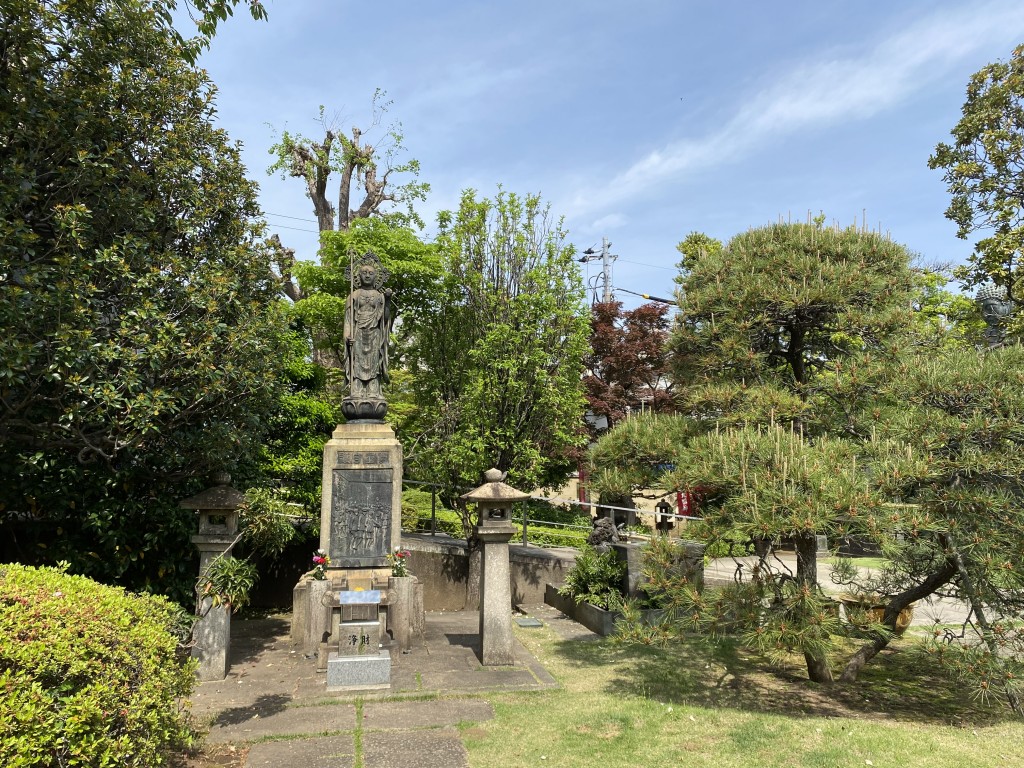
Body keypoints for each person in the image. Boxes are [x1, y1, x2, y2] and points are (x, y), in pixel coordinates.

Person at [344, 256, 390, 404]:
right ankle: (356, 390)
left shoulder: (379, 296)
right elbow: (348, 319)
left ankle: (373, 390)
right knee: (357, 363)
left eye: (371, 273)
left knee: (374, 363)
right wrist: (347, 335)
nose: (368, 275)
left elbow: (385, 318)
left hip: (374, 334)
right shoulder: (354, 295)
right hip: (358, 333)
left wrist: (387, 301)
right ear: (358, 276)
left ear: (376, 276)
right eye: (364, 272)